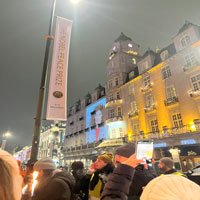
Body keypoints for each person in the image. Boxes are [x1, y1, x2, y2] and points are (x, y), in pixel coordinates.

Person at [101, 154, 200, 200]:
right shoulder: (180, 178)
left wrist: (126, 167)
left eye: (160, 164)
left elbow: (112, 196)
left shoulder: (177, 178)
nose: (158, 165)